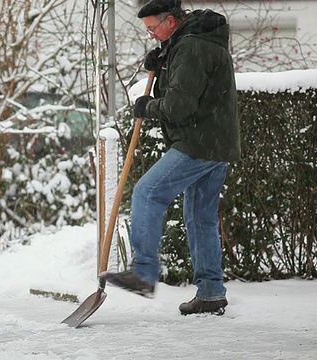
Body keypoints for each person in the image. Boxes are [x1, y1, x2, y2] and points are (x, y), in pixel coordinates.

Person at [102, 0, 240, 315]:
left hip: (198, 142)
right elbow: (192, 86)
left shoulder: (192, 48)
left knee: (147, 192)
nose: (151, 34)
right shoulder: (195, 42)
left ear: (171, 22)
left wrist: (147, 106)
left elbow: (180, 105)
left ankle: (143, 272)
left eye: (153, 28)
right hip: (217, 142)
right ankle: (211, 294)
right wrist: (163, 59)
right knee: (200, 218)